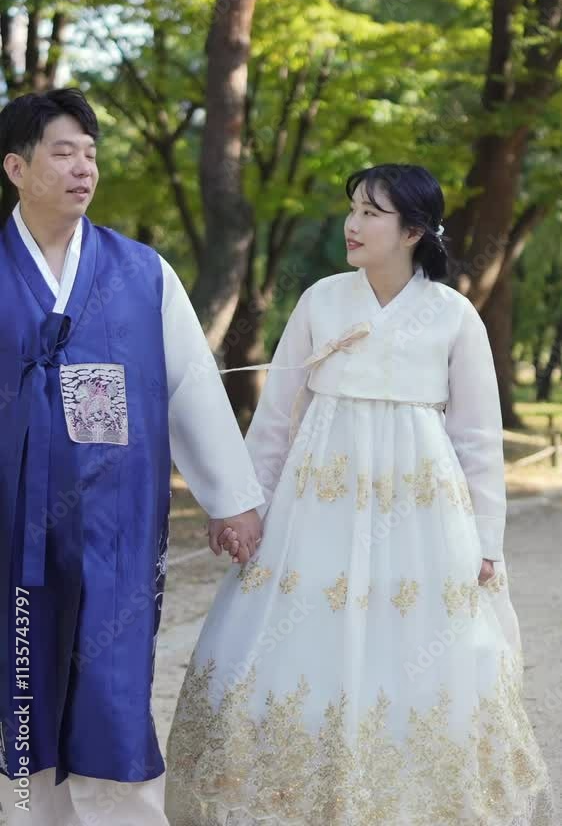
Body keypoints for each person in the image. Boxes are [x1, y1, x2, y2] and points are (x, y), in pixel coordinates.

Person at [165, 163, 554, 826]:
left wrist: (487, 541)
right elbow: (276, 418)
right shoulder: (321, 300)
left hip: (420, 512)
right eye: (353, 209)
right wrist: (244, 505)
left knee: (420, 647)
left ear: (413, 231)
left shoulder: (453, 315)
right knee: (298, 639)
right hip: (316, 505)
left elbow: (478, 439)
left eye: (372, 213)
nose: (353, 224)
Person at [0, 88, 264, 826]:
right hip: (11, 527)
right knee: (19, 681)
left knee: (111, 688)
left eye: (90, 153)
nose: (83, 168)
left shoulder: (142, 273)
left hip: (114, 526)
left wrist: (231, 500)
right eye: (63, 153)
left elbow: (191, 387)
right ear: (16, 168)